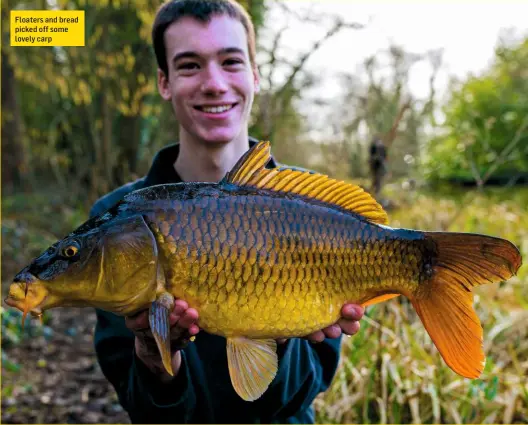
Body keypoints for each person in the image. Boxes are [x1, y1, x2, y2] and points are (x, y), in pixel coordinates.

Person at [90, 1, 365, 423]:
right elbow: (142, 409)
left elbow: (301, 395)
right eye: (189, 66)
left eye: (231, 61)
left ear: (255, 74)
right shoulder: (116, 221)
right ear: (165, 82)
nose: (214, 83)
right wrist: (152, 353)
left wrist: (281, 327)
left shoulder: (317, 211)